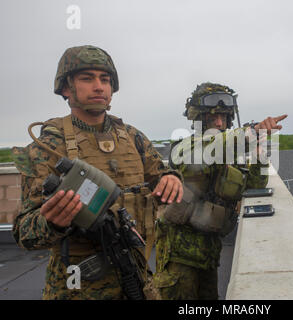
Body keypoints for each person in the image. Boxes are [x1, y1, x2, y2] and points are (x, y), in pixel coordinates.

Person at [12, 45, 183, 300]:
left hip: (136, 275)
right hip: (77, 289)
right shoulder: (49, 146)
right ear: (67, 88)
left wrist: (171, 178)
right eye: (87, 78)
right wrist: (51, 221)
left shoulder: (133, 137)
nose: (99, 86)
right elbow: (24, 233)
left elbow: (162, 174)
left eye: (105, 80)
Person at [152, 82, 287, 299]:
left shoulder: (230, 152)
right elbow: (207, 152)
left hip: (209, 253)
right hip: (179, 254)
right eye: (212, 118)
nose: (219, 122)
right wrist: (251, 132)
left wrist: (259, 151)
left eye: (223, 117)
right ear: (199, 120)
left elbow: (254, 185)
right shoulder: (185, 147)